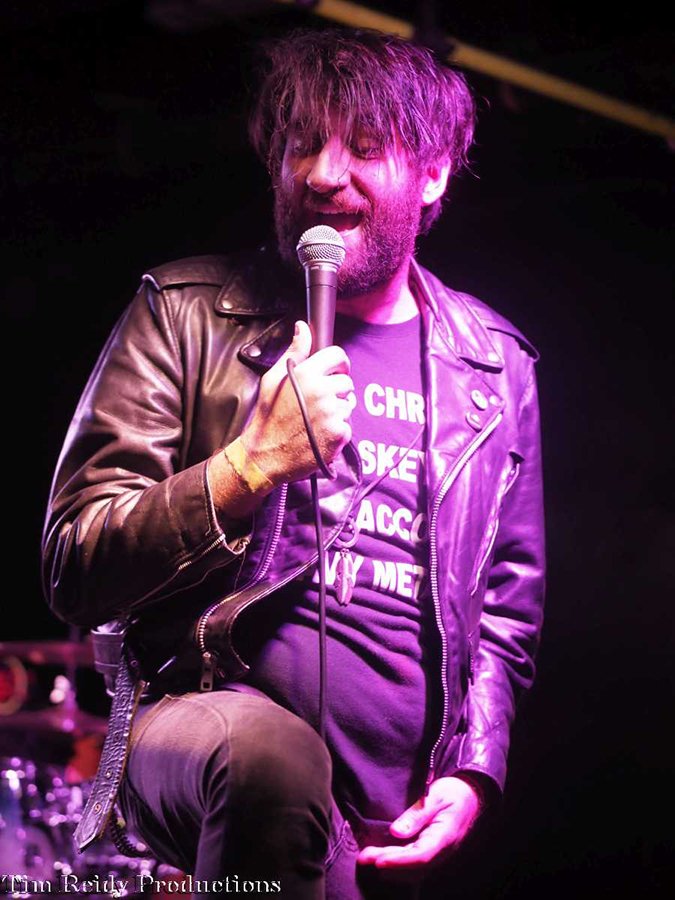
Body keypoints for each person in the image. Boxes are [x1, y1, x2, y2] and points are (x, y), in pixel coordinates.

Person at [41, 26, 545, 900]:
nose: (321, 174)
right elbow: (74, 560)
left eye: (364, 148)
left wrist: (474, 769)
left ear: (431, 175)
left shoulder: (493, 366)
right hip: (192, 729)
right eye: (301, 144)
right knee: (267, 760)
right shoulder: (185, 313)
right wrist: (246, 468)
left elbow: (505, 606)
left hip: (390, 816)